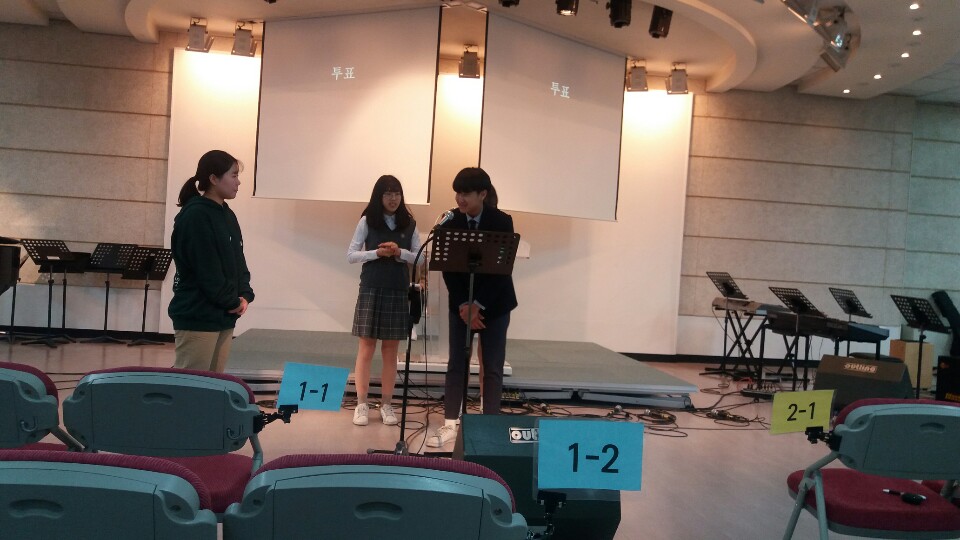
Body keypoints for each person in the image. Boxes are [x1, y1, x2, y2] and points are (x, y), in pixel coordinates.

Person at [426, 167, 517, 447]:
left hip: (495, 304)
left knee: (492, 366)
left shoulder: (501, 221)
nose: (460, 199)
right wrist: (465, 305)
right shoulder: (451, 221)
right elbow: (449, 269)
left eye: (466, 193)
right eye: (457, 193)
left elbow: (500, 271)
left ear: (483, 194)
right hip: (461, 306)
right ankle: (450, 424)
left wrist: (478, 305)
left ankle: (490, 428)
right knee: (457, 363)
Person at [168, 150, 254, 373]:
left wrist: (244, 293)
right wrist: (231, 301)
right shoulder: (195, 215)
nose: (238, 182)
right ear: (214, 179)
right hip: (198, 315)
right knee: (192, 385)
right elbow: (206, 270)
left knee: (214, 383)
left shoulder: (226, 214)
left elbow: (237, 259)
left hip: (223, 315)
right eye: (233, 175)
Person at [348, 175, 422, 426]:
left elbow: (421, 258)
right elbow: (351, 255)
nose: (393, 198)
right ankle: (361, 404)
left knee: (391, 351)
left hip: (397, 289)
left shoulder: (409, 224)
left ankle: (387, 404)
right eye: (388, 193)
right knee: (366, 348)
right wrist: (376, 253)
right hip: (371, 287)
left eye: (397, 193)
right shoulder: (367, 220)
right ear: (379, 196)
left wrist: (400, 252)